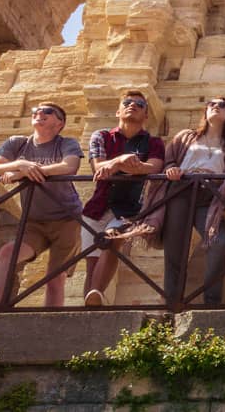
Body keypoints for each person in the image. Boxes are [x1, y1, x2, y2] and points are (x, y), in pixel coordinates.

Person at [0, 101, 83, 308]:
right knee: (8, 253)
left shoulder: (66, 143)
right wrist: (20, 164)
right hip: (34, 220)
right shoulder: (18, 143)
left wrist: (25, 173)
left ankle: (51, 323)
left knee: (54, 277)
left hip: (67, 219)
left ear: (60, 123)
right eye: (35, 111)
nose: (39, 113)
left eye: (48, 112)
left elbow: (69, 166)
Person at [150, 97, 225, 306]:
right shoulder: (186, 137)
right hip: (181, 190)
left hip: (210, 196)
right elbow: (170, 160)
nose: (216, 107)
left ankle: (211, 302)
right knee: (175, 250)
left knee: (218, 243)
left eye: (222, 105)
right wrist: (171, 169)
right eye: (211, 104)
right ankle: (172, 304)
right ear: (205, 111)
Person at [80, 91, 164, 307]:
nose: (132, 106)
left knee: (112, 239)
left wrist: (117, 165)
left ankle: (96, 292)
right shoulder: (101, 136)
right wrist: (123, 161)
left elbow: (153, 168)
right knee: (92, 263)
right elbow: (98, 167)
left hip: (129, 206)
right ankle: (91, 304)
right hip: (98, 206)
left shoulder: (153, 143)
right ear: (118, 111)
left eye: (139, 104)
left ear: (146, 115)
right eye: (127, 103)